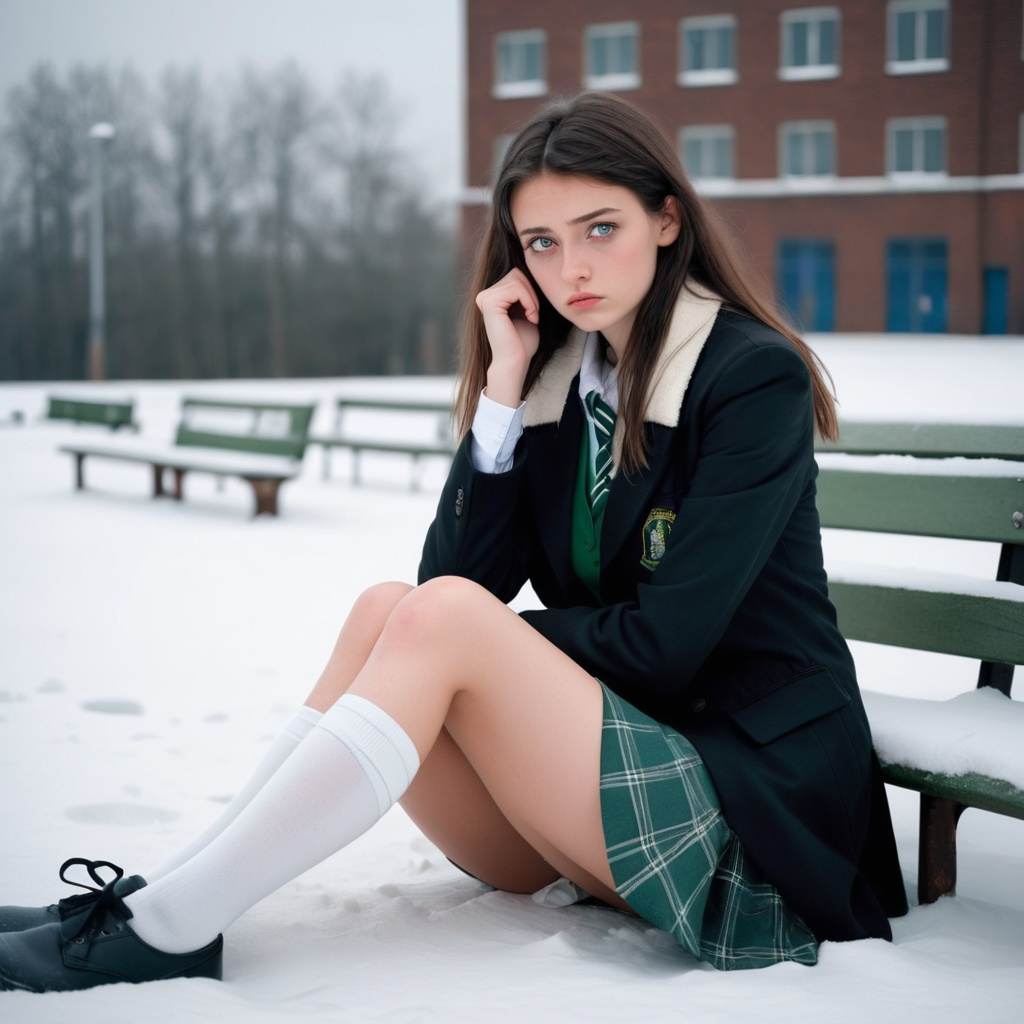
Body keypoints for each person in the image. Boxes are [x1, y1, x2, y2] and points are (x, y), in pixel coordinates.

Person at [0, 92, 907, 993]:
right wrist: (504, 396)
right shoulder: (559, 379)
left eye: (600, 228)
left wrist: (488, 639)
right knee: (387, 609)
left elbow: (663, 648)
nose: (570, 268)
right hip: (602, 805)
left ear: (667, 219)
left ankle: (166, 927)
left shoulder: (750, 377)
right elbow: (448, 590)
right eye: (541, 243)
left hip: (755, 824)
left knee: (436, 620)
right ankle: (163, 904)